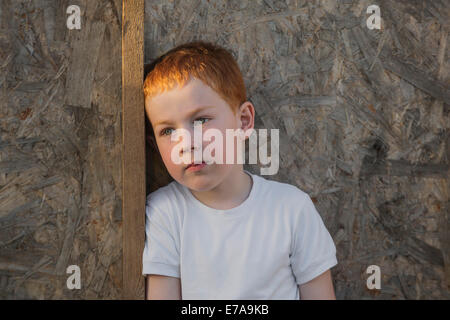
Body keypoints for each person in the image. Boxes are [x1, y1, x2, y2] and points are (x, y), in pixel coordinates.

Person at [142, 40, 338, 300]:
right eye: (167, 130)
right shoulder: (165, 213)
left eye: (201, 120)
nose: (186, 143)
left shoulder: (292, 209)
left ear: (243, 121)